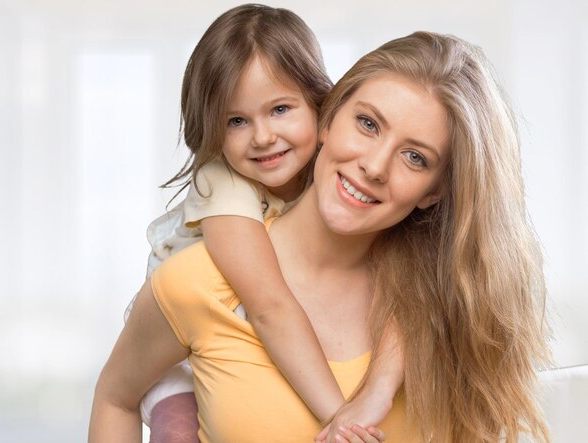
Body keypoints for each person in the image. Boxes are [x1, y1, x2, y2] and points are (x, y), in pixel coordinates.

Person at [91, 31, 551, 443]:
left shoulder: (454, 304)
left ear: (435, 192)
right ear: (329, 117)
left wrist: (376, 391)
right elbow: (115, 398)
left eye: (415, 157)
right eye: (368, 124)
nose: (374, 165)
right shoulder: (198, 280)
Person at [124, 4, 404, 442]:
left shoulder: (334, 168)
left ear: (320, 103)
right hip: (176, 355)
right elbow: (268, 305)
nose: (262, 136)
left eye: (279, 109)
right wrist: (342, 420)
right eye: (236, 120)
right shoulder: (223, 180)